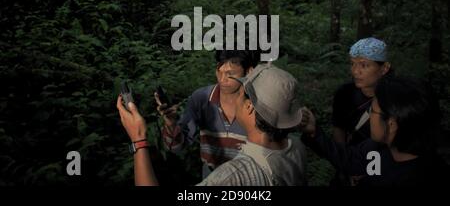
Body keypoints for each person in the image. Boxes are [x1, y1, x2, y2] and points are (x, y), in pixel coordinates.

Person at [117, 63, 307, 186]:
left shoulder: (232, 177)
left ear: (249, 107)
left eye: (241, 92)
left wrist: (139, 139)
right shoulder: (296, 148)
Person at [300, 76, 449, 186]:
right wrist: (315, 132)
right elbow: (351, 158)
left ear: (391, 124)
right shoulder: (378, 148)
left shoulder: (425, 176)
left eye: (372, 110)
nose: (368, 115)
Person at [157, 49, 259, 178]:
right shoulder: (201, 98)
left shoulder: (260, 103)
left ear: (249, 72)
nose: (222, 79)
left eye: (230, 74)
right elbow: (177, 148)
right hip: (211, 178)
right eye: (219, 72)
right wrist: (171, 124)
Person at [332, 37, 391, 146]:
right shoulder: (344, 93)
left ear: (384, 68)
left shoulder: (394, 96)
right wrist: (343, 155)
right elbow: (338, 128)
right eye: (352, 64)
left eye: (364, 65)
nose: (355, 71)